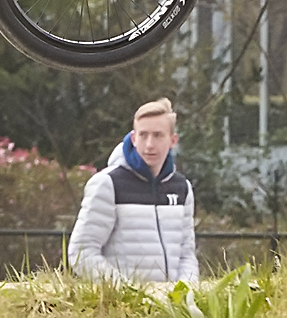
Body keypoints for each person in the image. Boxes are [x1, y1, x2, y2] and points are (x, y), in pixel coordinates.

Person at [67, 98, 199, 284]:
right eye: (143, 135)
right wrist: (128, 294)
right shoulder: (108, 183)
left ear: (173, 140)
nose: (149, 144)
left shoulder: (182, 188)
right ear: (134, 138)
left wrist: (185, 293)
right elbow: (81, 252)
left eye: (158, 135)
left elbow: (186, 254)